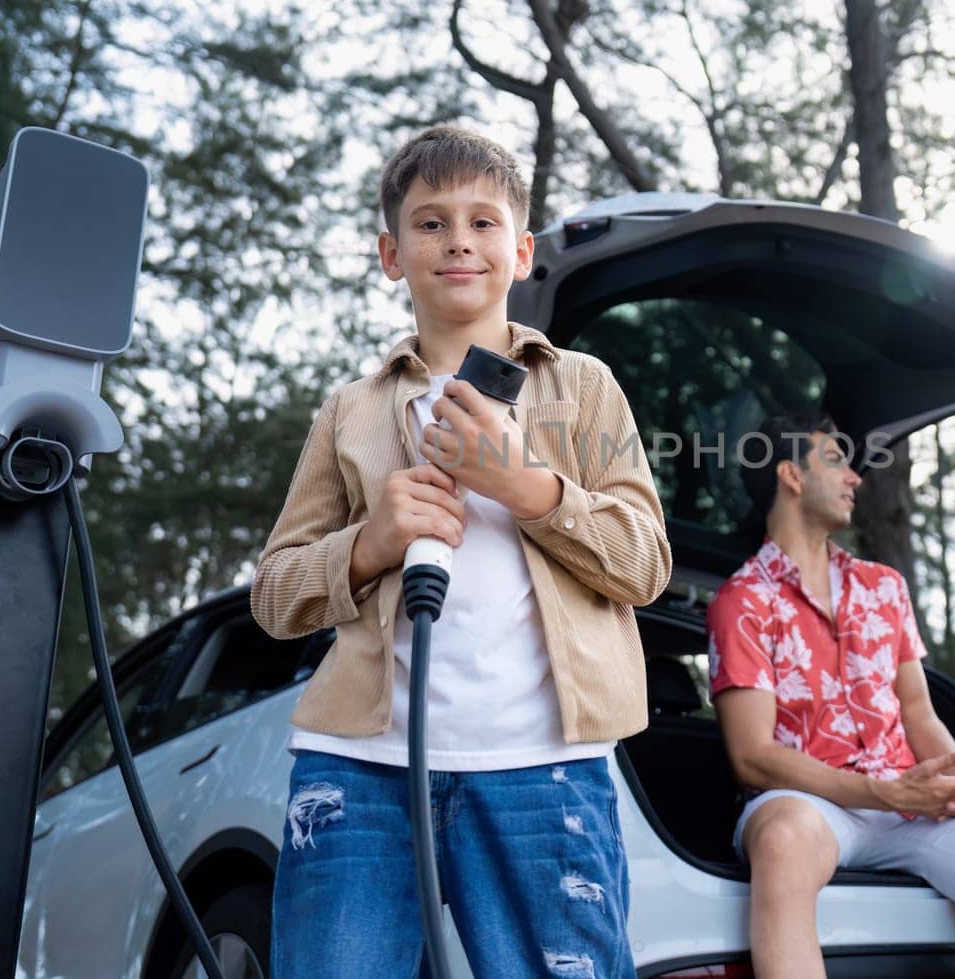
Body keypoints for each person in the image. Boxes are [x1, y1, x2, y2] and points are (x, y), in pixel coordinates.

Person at [251, 125, 672, 978]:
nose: (458, 241)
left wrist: (529, 489)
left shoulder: (582, 386)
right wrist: (370, 543)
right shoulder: (350, 409)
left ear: (519, 252)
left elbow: (644, 562)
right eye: (431, 222)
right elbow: (273, 594)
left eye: (483, 222)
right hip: (360, 776)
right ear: (390, 252)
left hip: (543, 771)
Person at [707, 411, 955, 979]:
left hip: (907, 803)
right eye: (836, 460)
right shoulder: (741, 601)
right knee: (784, 840)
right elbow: (753, 758)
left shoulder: (883, 587)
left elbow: (918, 711)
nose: (856, 478)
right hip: (810, 803)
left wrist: (950, 775)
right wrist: (880, 792)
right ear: (790, 476)